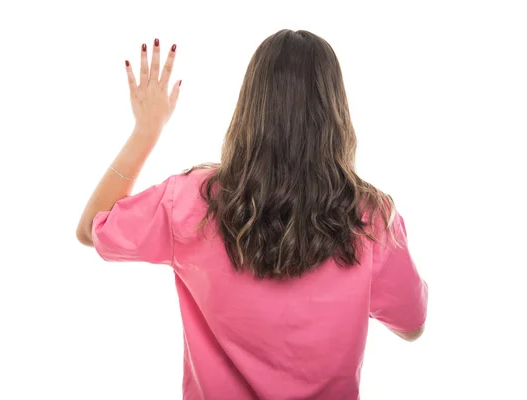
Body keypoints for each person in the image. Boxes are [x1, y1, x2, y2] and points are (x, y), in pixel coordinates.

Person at [76, 30, 428, 400]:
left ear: (251, 106)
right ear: (335, 113)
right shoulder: (372, 219)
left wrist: (147, 130)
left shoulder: (192, 203)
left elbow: (91, 228)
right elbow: (412, 325)